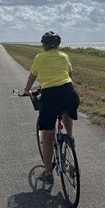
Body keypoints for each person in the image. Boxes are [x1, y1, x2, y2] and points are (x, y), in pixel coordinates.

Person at [23, 31, 80, 184]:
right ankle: (70, 137)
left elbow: (32, 76)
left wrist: (26, 90)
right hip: (68, 91)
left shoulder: (39, 58)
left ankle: (48, 173)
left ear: (44, 45)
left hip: (50, 96)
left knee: (48, 136)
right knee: (67, 111)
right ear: (58, 44)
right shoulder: (64, 56)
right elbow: (69, 73)